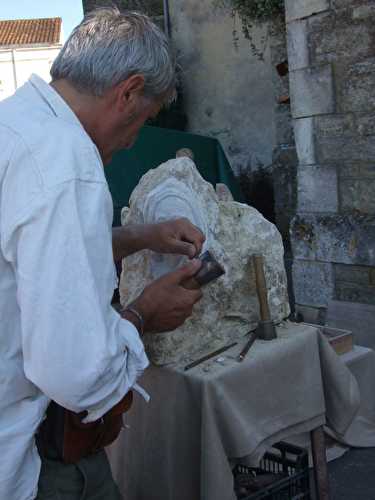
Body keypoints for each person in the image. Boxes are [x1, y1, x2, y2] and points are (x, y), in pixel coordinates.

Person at [0, 8, 205, 500]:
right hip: (32, 459)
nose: (136, 137)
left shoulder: (15, 125)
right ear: (129, 92)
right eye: (146, 119)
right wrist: (142, 314)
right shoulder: (69, 164)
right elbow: (74, 373)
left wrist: (141, 236)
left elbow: (29, 259)